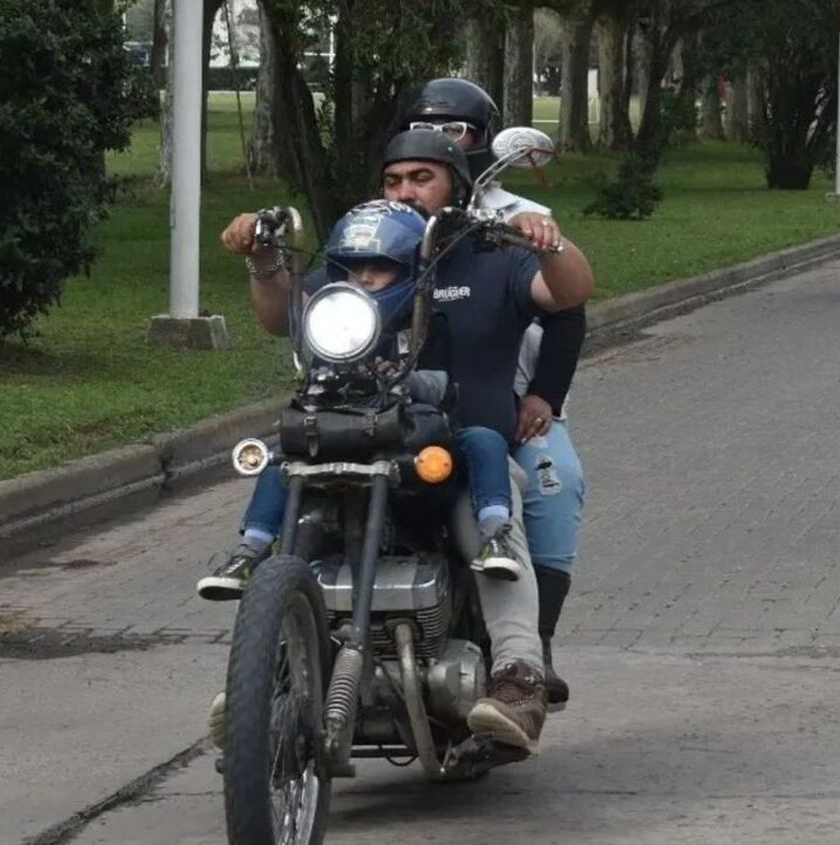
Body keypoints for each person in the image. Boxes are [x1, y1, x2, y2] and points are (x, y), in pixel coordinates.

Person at [214, 130, 594, 753]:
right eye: (393, 180)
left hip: (459, 455)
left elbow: (570, 292)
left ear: (458, 186)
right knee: (299, 512)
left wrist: (551, 242)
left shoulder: (492, 257)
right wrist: (261, 258)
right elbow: (281, 312)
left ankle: (519, 675)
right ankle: (269, 678)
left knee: (492, 516)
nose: (405, 191)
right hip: (355, 443)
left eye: (422, 178)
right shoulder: (362, 266)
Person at [400, 77, 586, 707]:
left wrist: (543, 398)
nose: (441, 141)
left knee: (554, 476)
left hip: (506, 396)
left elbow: (568, 311)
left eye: (456, 131)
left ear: (478, 143)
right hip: (402, 404)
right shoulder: (385, 226)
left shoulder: (514, 219)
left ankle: (535, 645)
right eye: (427, 129)